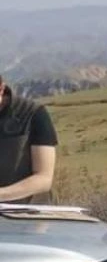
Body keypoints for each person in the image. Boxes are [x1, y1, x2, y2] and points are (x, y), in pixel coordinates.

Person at [0, 73, 58, 203]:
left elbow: (44, 178)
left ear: (2, 89)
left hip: (28, 210)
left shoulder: (33, 114)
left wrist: (2, 195)